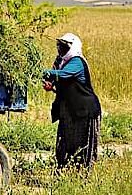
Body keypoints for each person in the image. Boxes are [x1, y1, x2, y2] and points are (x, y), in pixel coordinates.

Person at [42, 33, 102, 169]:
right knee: (65, 143)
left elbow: (64, 74)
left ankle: (83, 177)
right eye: (59, 45)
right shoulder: (60, 61)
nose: (60, 49)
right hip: (68, 111)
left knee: (84, 145)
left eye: (63, 46)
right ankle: (65, 172)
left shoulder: (77, 62)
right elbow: (54, 79)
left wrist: (47, 73)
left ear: (72, 47)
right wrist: (50, 85)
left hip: (84, 110)